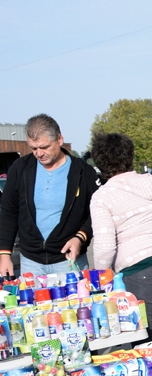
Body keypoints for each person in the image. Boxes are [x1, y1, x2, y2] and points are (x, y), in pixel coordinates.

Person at [89, 132, 152, 345]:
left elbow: (105, 246)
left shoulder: (103, 196)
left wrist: (101, 279)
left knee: (145, 344)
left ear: (100, 162)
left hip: (143, 275)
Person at [0, 114, 97, 277]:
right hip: (31, 264)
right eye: (34, 148)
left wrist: (80, 237)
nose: (39, 153)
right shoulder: (20, 169)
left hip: (69, 262)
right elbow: (8, 212)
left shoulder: (83, 172)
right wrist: (4, 254)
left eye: (44, 147)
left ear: (59, 139)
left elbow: (96, 212)